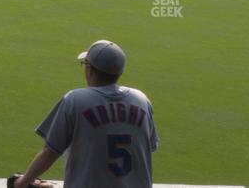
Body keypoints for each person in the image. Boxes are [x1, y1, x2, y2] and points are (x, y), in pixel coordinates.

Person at [11, 40, 157, 188]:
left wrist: (23, 182)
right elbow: (148, 147)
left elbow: (50, 152)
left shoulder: (75, 100)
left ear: (90, 69)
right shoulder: (142, 100)